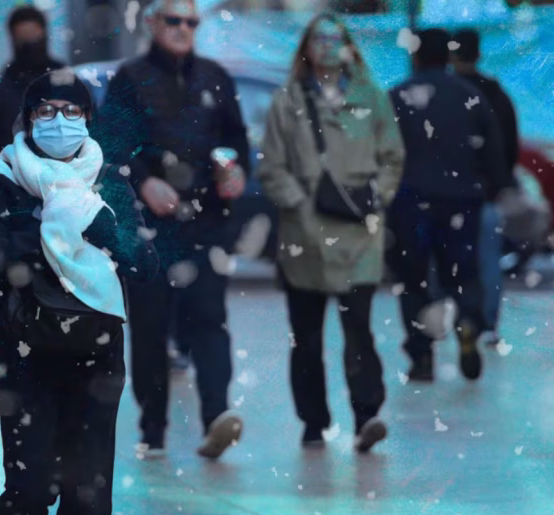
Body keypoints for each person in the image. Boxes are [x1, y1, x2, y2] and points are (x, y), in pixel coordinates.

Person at [0, 70, 158, 515]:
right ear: (27, 120)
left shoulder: (106, 181)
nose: (58, 121)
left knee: (88, 492)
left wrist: (108, 230)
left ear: (88, 118)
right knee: (28, 490)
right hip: (28, 357)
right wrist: (55, 226)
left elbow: (146, 265)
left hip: (97, 355)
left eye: (71, 111)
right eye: (45, 111)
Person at [98, 0, 251, 460]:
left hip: (204, 223)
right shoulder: (130, 79)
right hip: (148, 231)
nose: (184, 29)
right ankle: (154, 428)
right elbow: (111, 147)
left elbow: (235, 140)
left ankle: (216, 417)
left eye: (191, 22)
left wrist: (235, 169)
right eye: (174, 20)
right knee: (149, 330)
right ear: (152, 24)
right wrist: (143, 181)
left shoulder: (214, 77)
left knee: (209, 319)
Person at [257, 14, 405, 452]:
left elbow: (392, 157)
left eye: (335, 38)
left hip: (359, 233)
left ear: (348, 46)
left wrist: (377, 194)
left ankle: (366, 415)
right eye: (318, 38)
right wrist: (300, 205)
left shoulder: (372, 98)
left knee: (358, 327)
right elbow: (271, 167)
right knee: (306, 336)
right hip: (304, 234)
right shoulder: (288, 101)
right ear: (306, 46)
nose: (327, 46)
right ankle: (313, 421)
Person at [388, 29, 507, 382]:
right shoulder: (469, 96)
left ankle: (422, 354)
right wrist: (488, 188)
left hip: (411, 201)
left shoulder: (398, 97)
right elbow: (494, 153)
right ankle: (469, 320)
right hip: (462, 200)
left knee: (414, 281)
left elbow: (383, 153)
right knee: (463, 273)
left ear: (415, 56)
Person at [451, 28, 520, 346]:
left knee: (446, 260)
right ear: (479, 54)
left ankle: (458, 317)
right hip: (484, 194)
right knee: (488, 260)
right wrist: (497, 182)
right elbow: (508, 145)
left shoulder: (445, 93)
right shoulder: (494, 94)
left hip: (446, 194)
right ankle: (488, 323)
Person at [0, 6, 64, 158]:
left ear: (43, 34)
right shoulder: (1, 88)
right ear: (13, 39)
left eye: (33, 36)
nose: (30, 43)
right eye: (23, 38)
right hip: (14, 173)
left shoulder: (66, 80)